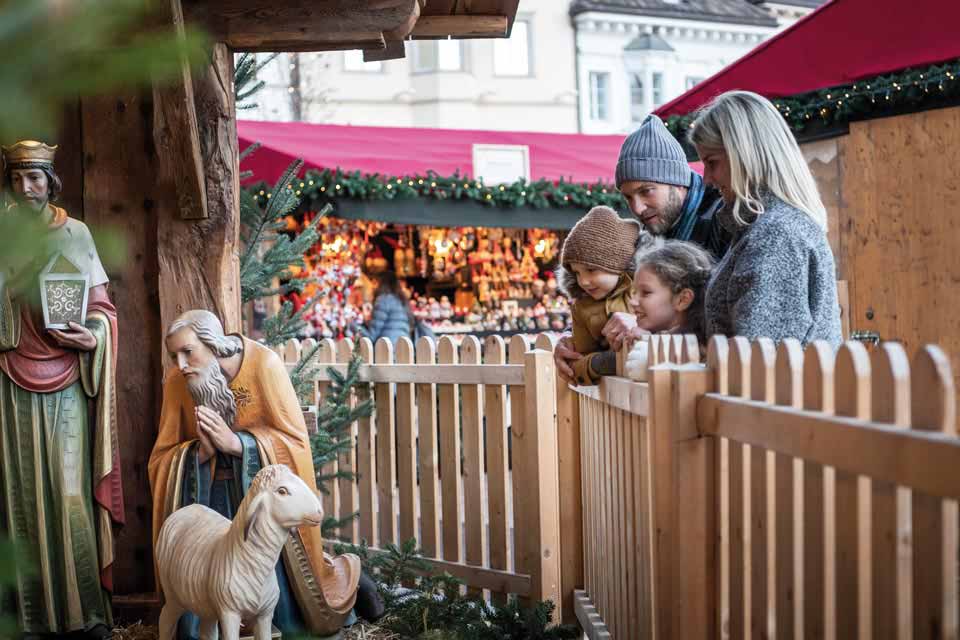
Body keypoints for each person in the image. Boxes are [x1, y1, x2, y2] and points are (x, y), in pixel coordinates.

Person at [149, 310, 362, 638]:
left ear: (214, 345)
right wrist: (198, 454)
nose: (180, 365)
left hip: (261, 508)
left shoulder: (264, 366)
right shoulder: (179, 383)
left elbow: (293, 443)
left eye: (188, 352)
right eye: (173, 356)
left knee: (265, 574)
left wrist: (238, 444)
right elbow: (162, 458)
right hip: (208, 503)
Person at [0, 140, 123, 639]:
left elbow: (102, 308)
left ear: (51, 182)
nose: (27, 188)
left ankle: (84, 614)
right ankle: (28, 618)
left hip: (67, 377)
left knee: (69, 493)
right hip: (10, 378)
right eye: (17, 178)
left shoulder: (76, 233)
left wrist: (92, 335)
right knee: (19, 498)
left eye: (36, 178)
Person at [554, 115, 730, 382]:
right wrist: (573, 337)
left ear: (677, 181)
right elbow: (612, 297)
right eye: (628, 197)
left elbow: (722, 315)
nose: (636, 208)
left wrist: (647, 327)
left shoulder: (721, 218)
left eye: (646, 191)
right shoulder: (652, 232)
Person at [688, 91, 841, 346]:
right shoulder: (767, 227)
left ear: (746, 156)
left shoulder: (776, 234)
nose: (707, 178)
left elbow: (763, 363)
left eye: (712, 162)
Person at [557, 206, 647, 386]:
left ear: (617, 264)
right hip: (609, 405)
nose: (584, 281)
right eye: (577, 273)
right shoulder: (582, 307)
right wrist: (601, 364)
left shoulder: (645, 290)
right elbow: (577, 360)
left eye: (591, 270)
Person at [629, 239, 714, 341]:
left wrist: (650, 343)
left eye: (646, 292)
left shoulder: (696, 352)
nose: (632, 301)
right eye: (634, 292)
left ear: (682, 300)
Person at [362, 270, 415, 345]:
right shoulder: (402, 300)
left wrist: (355, 324)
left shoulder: (383, 300)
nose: (373, 286)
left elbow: (371, 335)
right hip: (404, 348)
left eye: (375, 282)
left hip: (387, 350)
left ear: (381, 284)